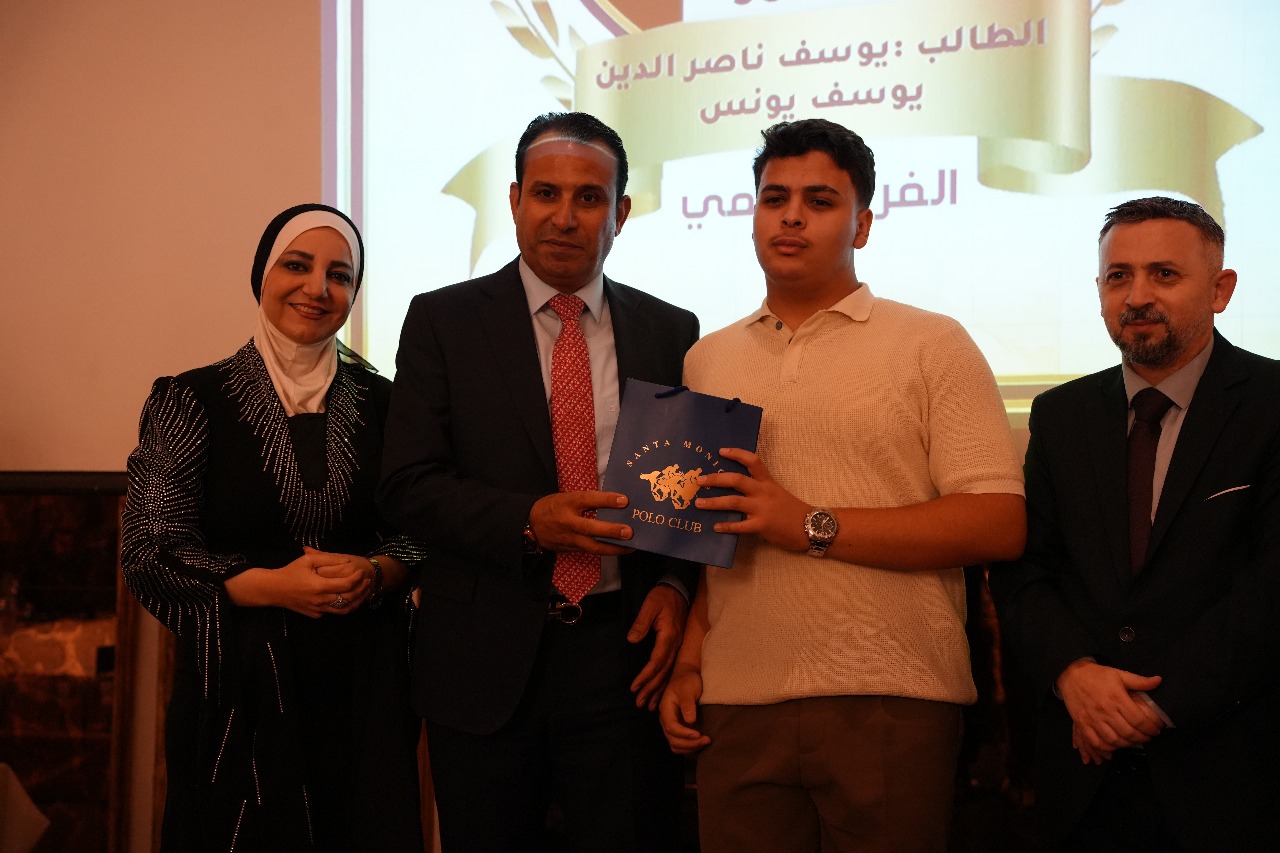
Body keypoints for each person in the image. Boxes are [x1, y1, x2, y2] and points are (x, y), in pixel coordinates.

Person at [658, 118, 1027, 853]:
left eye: (820, 201)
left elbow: (997, 522)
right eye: (774, 198)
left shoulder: (932, 342)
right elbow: (714, 533)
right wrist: (691, 660)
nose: (791, 216)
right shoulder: (706, 358)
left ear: (862, 223)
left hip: (891, 698)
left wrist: (807, 523)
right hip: (736, 701)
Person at [377, 111, 700, 852]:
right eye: (546, 193)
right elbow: (407, 485)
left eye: (589, 198)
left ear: (620, 212)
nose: (565, 216)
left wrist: (675, 586)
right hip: (481, 658)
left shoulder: (670, 330)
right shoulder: (443, 321)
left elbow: (685, 494)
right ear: (516, 200)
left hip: (625, 658)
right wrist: (530, 521)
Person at [120, 204, 426, 853]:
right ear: (261, 274)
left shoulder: (388, 403)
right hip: (237, 691)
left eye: (339, 275)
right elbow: (150, 549)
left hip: (364, 691)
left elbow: (423, 529)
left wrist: (377, 572)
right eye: (297, 265)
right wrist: (274, 586)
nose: (318, 288)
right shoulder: (190, 399)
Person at [988, 196, 1280, 850]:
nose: (1137, 296)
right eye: (1118, 276)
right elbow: (1026, 569)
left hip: (1230, 773)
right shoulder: (1060, 415)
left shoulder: (1270, 403)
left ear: (1221, 289)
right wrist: (1072, 673)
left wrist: (1151, 706)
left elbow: (1269, 589)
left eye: (1164, 274)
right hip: (1082, 770)